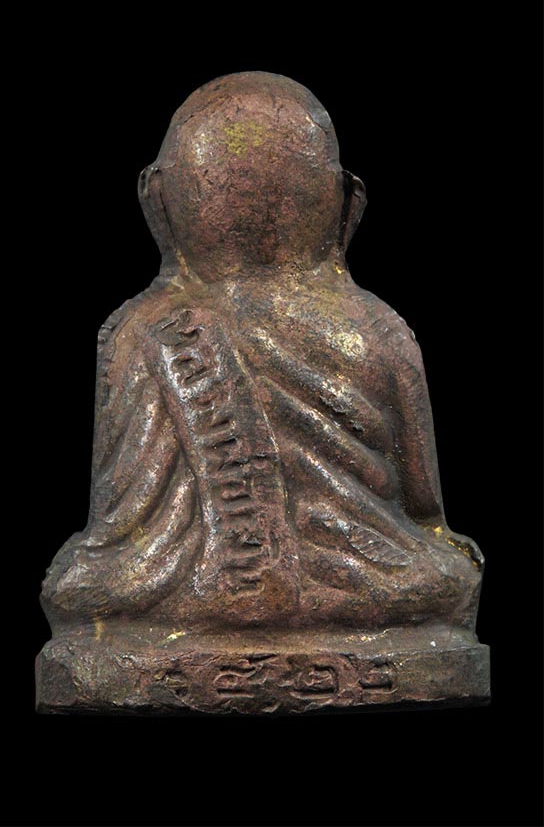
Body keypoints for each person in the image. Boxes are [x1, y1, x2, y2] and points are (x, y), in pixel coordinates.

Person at [41, 71, 483, 633]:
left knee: (80, 581)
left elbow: (114, 531)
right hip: (359, 575)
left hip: (177, 584)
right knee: (448, 570)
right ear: (348, 203)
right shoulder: (377, 329)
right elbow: (424, 513)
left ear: (157, 200)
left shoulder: (136, 328)